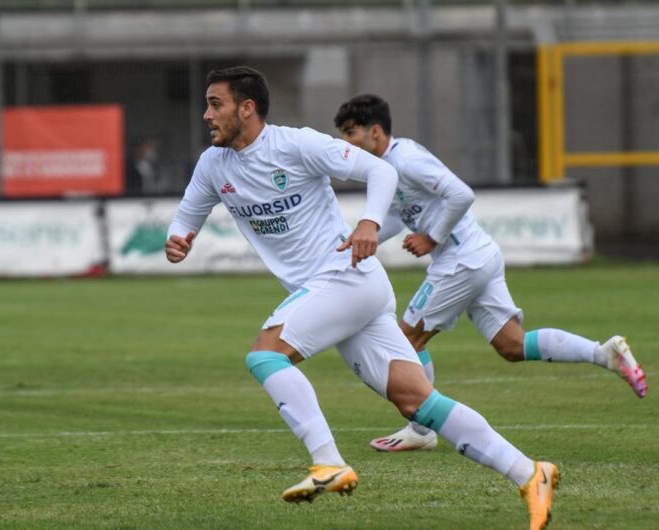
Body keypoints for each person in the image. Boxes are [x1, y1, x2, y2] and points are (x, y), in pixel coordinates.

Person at [166, 66, 558, 529]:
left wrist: (370, 222)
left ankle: (328, 462)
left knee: (265, 356)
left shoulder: (297, 145)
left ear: (246, 108)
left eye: (216, 104)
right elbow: (188, 213)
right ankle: (530, 472)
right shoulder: (213, 165)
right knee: (418, 402)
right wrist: (179, 237)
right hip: (345, 292)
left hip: (343, 277)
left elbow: (380, 169)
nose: (206, 114)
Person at [333, 94, 647, 454]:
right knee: (512, 345)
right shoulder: (388, 168)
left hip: (461, 260)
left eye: (350, 132)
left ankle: (421, 429)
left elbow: (461, 194)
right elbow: (393, 216)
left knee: (405, 340)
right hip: (477, 255)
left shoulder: (406, 159)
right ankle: (604, 354)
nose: (346, 142)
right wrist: (360, 236)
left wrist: (432, 237)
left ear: (374, 131)